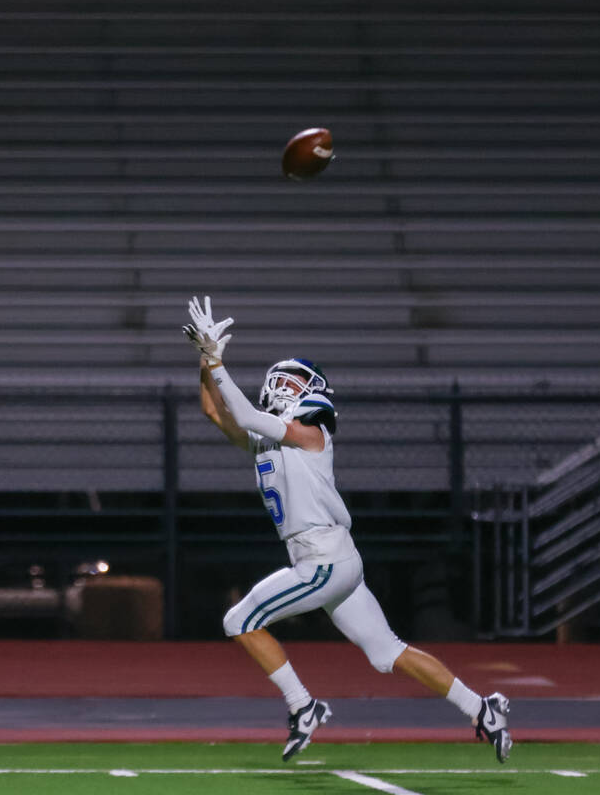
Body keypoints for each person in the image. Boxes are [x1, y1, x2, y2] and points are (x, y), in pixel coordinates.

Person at [182, 296, 512, 763]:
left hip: (322, 559)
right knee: (387, 652)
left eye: (293, 380)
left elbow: (248, 415)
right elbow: (217, 413)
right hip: (331, 559)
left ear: (313, 392)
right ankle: (482, 708)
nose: (281, 385)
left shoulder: (312, 431)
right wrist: (203, 356)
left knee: (238, 620)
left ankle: (303, 705)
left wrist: (217, 362)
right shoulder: (268, 436)